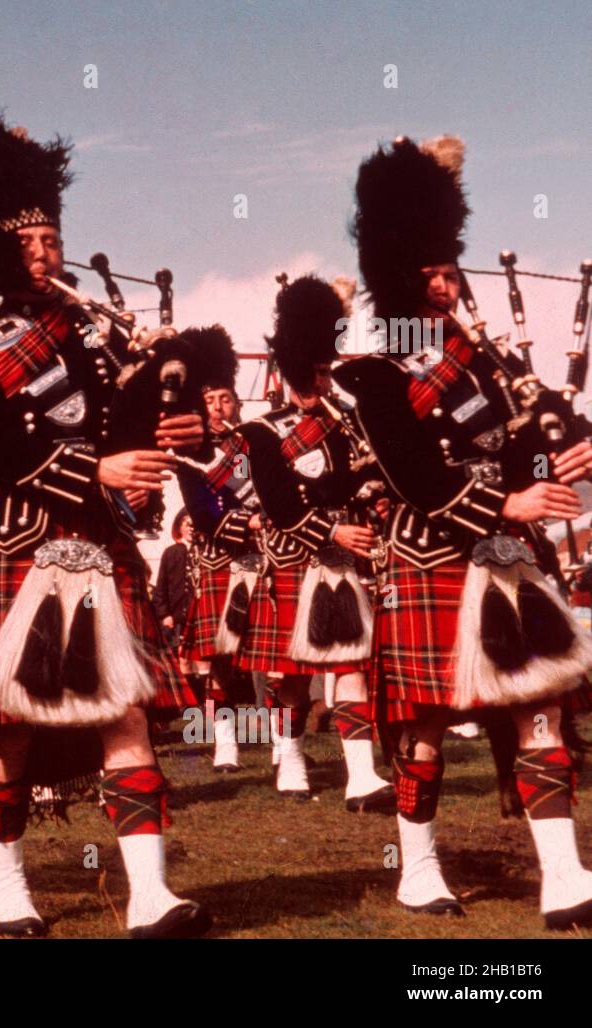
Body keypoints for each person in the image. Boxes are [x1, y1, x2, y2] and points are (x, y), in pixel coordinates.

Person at [0, 112, 209, 938]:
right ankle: (7, 888)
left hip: (99, 546)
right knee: (9, 728)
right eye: (31, 242)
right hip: (15, 541)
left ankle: (150, 897)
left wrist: (170, 416)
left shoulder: (97, 337)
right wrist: (99, 469)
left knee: (127, 711)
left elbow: (127, 436)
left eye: (53, 237)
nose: (47, 254)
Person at [336, 135, 592, 926]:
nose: (448, 288)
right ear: (399, 282)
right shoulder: (373, 375)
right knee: (425, 731)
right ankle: (418, 870)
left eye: (453, 273)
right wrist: (504, 507)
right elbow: (414, 472)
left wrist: (558, 461)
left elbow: (522, 452)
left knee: (538, 707)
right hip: (431, 555)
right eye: (433, 276)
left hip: (506, 558)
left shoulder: (486, 366)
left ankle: (565, 878)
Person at [234, 275, 394, 811]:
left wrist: (374, 487)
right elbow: (278, 503)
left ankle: (362, 777)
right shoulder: (262, 432)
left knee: (350, 664)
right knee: (293, 683)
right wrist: (329, 530)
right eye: (318, 372)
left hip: (342, 563)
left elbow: (358, 479)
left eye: (328, 371)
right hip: (293, 559)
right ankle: (292, 757)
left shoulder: (347, 423)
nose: (325, 382)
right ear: (294, 373)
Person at [171, 327, 260, 773]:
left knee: (273, 660)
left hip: (266, 558)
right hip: (221, 559)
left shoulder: (256, 444)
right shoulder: (190, 452)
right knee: (220, 661)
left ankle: (285, 748)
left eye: (226, 399)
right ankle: (226, 743)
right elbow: (202, 511)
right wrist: (247, 525)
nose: (219, 408)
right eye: (210, 401)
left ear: (238, 403)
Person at [152, 509, 193, 649]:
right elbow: (160, 589)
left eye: (194, 525)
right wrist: (165, 615)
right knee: (180, 662)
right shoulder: (171, 553)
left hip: (197, 616)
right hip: (174, 619)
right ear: (179, 527)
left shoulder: (206, 553)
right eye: (186, 524)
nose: (191, 529)